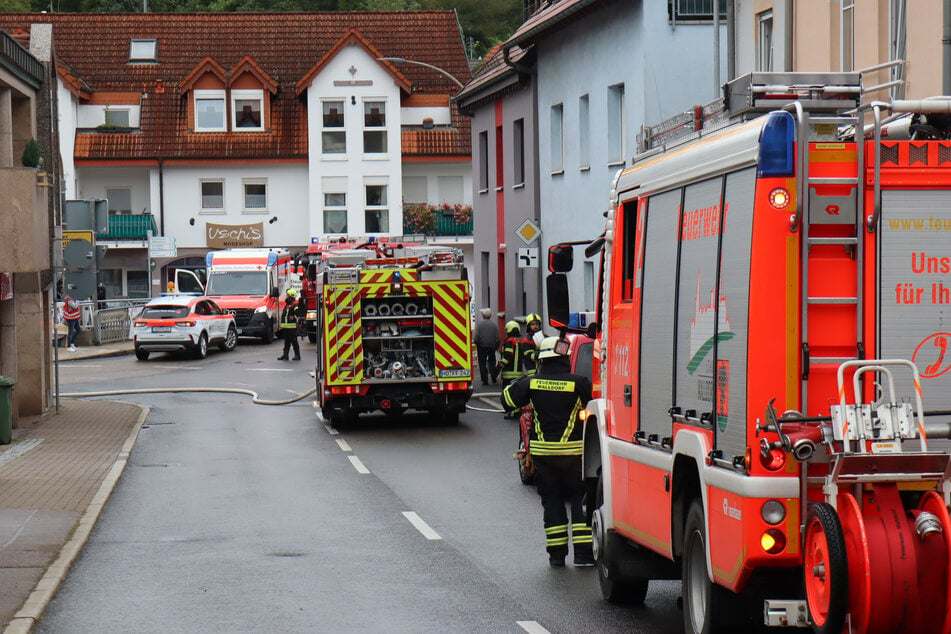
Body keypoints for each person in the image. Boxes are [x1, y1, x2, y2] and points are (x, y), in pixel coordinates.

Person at [502, 336, 594, 568]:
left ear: (542, 360)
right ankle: (583, 555)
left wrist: (522, 382)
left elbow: (507, 401)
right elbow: (594, 405)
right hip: (575, 456)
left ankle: (556, 555)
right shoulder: (579, 383)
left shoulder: (533, 383)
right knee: (579, 500)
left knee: (552, 502)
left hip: (545, 457)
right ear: (564, 358)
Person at [498, 320, 529, 416]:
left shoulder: (509, 341)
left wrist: (498, 367)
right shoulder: (521, 341)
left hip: (509, 373)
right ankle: (516, 411)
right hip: (519, 373)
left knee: (507, 394)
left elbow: (507, 356)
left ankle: (511, 412)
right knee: (517, 394)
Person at [473, 308, 500, 386]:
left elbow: (476, 337)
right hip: (492, 346)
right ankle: (494, 377)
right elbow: (498, 338)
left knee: (482, 363)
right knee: (492, 362)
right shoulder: (494, 325)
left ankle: (485, 380)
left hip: (482, 346)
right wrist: (496, 347)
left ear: (483, 315)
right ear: (490, 315)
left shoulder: (479, 325)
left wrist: (477, 343)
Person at [277, 288, 302, 361]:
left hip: (292, 328)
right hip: (286, 327)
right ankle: (285, 355)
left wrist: (293, 317)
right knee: (286, 343)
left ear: (291, 297)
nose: (286, 297)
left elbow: (298, 315)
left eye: (287, 295)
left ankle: (297, 355)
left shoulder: (295, 305)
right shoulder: (288, 305)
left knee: (294, 342)